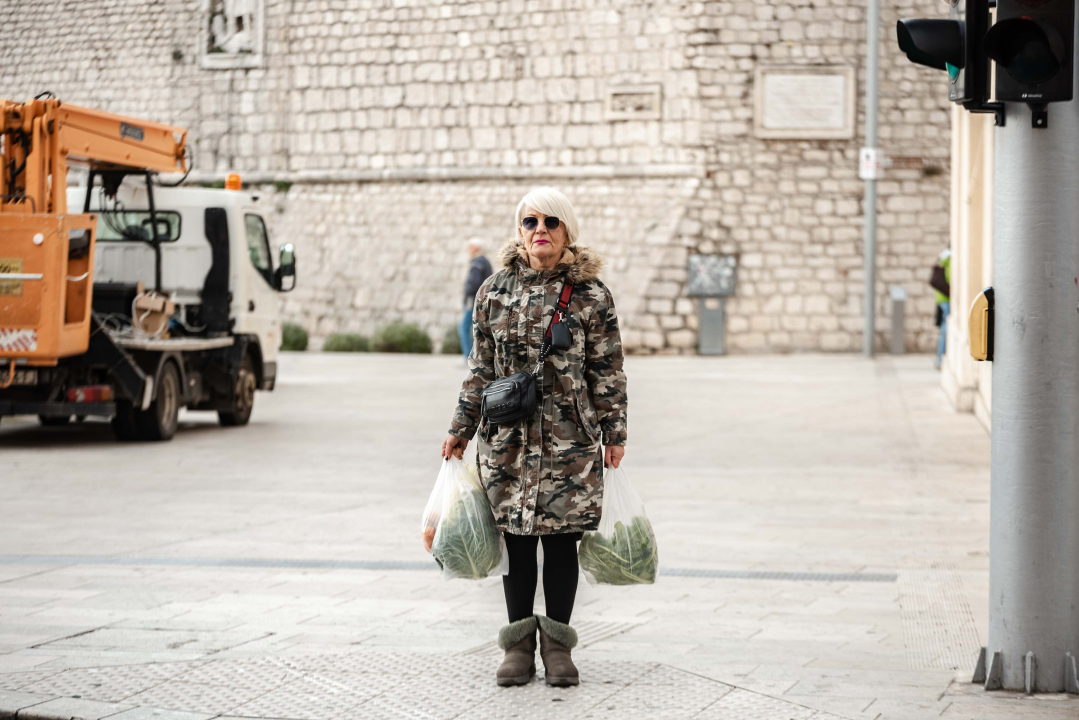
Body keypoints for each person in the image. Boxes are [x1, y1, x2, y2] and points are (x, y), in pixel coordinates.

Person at [440, 187, 628, 688]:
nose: (539, 230)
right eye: (529, 222)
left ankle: (559, 648)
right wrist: (461, 428)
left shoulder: (591, 294)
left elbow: (607, 370)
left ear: (567, 230)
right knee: (518, 545)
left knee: (563, 543)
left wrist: (614, 430)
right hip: (509, 442)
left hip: (572, 442)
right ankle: (518, 646)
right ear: (519, 232)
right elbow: (479, 370)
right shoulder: (494, 291)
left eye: (549, 221)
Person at [459, 238, 493, 360]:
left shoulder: (477, 262)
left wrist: (468, 293)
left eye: (471, 247)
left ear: (477, 248)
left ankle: (469, 356)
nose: (469, 250)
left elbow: (474, 283)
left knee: (463, 327)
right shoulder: (485, 262)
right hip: (483, 300)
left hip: (474, 300)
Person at [931, 249, 951, 370]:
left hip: (941, 297)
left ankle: (940, 358)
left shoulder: (943, 257)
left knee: (944, 326)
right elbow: (950, 277)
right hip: (946, 298)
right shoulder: (949, 259)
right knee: (946, 327)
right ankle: (940, 358)